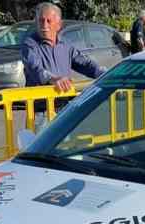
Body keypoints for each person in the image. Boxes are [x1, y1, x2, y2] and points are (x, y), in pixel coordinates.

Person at [20, 2, 106, 131]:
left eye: (49, 21)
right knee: (39, 149)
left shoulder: (65, 44)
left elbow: (84, 63)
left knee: (66, 148)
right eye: (41, 21)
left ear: (59, 25)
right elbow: (35, 68)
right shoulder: (30, 44)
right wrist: (53, 79)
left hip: (64, 109)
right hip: (41, 112)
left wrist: (105, 73)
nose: (44, 25)